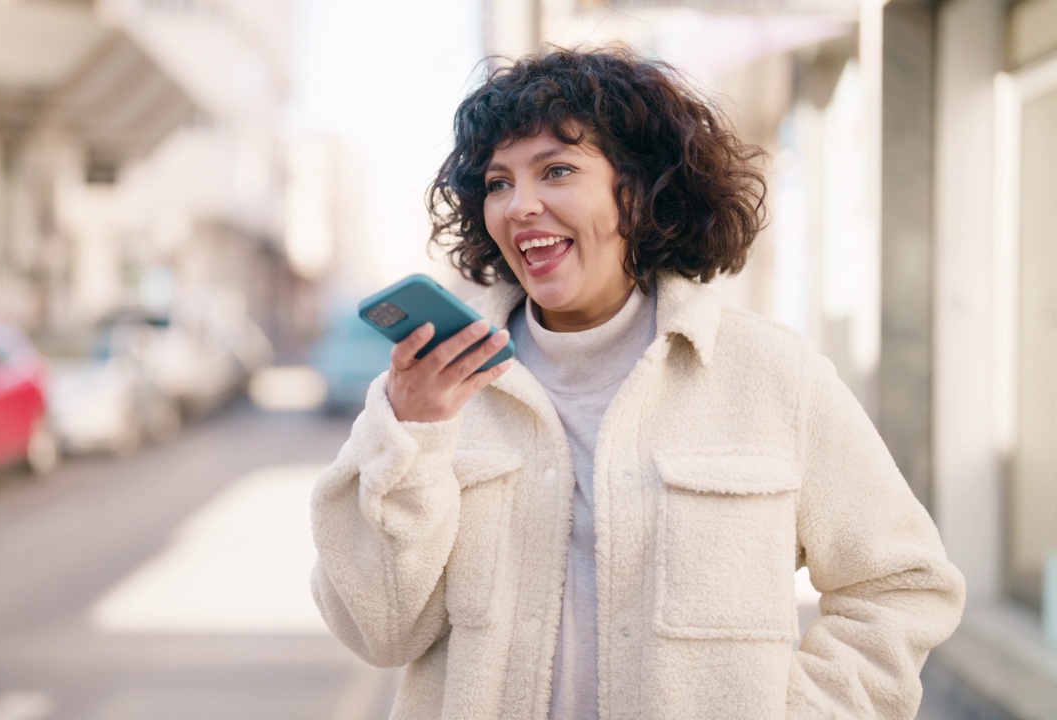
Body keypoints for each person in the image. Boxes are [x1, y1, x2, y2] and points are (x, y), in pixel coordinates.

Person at [310, 46, 965, 719]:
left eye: (556, 170)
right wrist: (416, 435)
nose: (519, 206)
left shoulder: (771, 375)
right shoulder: (431, 393)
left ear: (641, 187)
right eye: (498, 182)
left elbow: (901, 584)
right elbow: (379, 632)